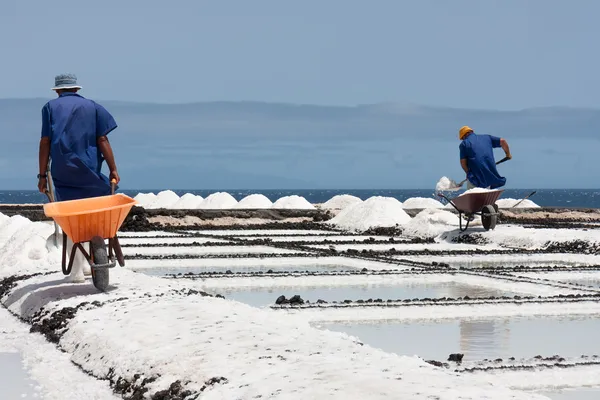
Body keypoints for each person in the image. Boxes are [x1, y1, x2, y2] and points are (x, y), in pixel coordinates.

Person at [37, 73, 121, 283]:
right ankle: (87, 260)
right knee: (92, 214)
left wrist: (41, 175)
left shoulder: (49, 108)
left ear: (57, 91)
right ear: (76, 89)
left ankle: (77, 271)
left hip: (63, 171)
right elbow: (103, 139)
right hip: (89, 169)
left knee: (72, 219)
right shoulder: (93, 107)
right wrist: (113, 169)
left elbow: (45, 142)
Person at [458, 125, 511, 190]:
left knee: (474, 188)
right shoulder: (487, 137)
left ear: (464, 135)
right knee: (486, 189)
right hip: (490, 176)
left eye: (462, 138)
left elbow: (463, 163)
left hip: (475, 177)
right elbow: (503, 141)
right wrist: (508, 154)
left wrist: (468, 174)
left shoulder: (464, 144)